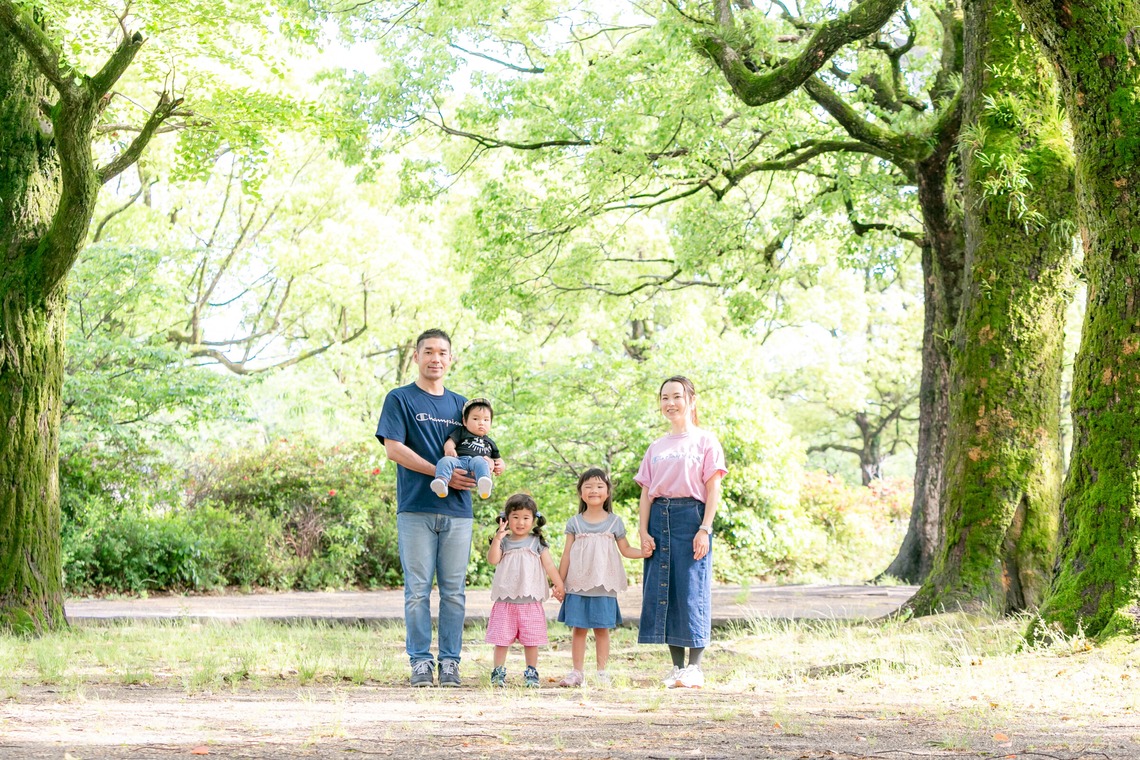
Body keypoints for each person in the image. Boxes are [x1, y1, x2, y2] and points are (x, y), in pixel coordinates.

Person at [375, 328, 503, 688]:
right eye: (428, 351)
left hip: (458, 513)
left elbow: (481, 449)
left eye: (443, 353)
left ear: (451, 359)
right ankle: (419, 662)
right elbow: (393, 449)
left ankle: (449, 662)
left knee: (454, 591)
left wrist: (488, 468)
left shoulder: (463, 407)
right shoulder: (400, 399)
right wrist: (439, 472)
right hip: (415, 507)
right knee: (417, 590)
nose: (436, 358)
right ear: (416, 357)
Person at [635, 375, 727, 689]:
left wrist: (705, 528)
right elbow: (646, 492)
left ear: (690, 400)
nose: (670, 403)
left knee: (691, 589)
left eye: (676, 396)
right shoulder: (656, 446)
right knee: (665, 591)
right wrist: (643, 530)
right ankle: (676, 667)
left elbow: (713, 487)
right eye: (664, 398)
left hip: (692, 517)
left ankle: (695, 667)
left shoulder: (705, 441)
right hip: (659, 518)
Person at [556, 468, 646, 688]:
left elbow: (625, 550)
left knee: (602, 630)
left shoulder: (614, 522)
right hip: (577, 584)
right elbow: (566, 554)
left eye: (599, 486)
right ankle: (577, 672)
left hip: (604, 585)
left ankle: (602, 673)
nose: (593, 490)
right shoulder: (574, 523)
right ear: (580, 492)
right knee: (578, 629)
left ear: (607, 493)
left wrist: (644, 552)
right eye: (587, 486)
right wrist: (559, 582)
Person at [486, 493, 565, 688]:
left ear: (533, 519)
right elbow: (493, 560)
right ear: (506, 518)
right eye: (515, 517)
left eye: (525, 518)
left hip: (530, 601)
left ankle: (531, 671)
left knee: (531, 640)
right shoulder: (503, 542)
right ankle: (498, 671)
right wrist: (497, 538)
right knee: (502, 640)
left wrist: (559, 585)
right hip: (506, 600)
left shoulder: (536, 542)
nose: (520, 522)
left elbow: (549, 566)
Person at [429, 397, 499, 500]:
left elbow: (498, 458)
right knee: (445, 461)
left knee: (480, 460)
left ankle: (484, 483)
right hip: (459, 462)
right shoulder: (462, 432)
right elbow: (450, 442)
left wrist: (500, 465)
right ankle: (441, 482)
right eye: (475, 419)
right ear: (464, 421)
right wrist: (449, 449)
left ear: (490, 424)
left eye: (486, 420)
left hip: (476, 469)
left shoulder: (490, 442)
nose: (481, 423)